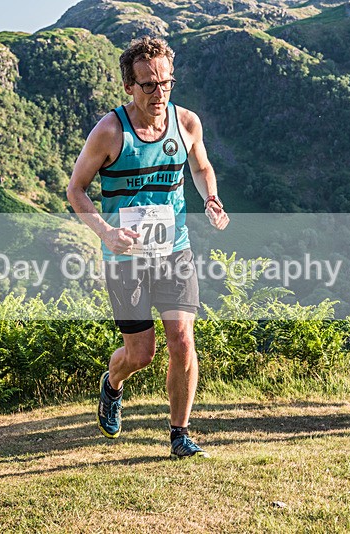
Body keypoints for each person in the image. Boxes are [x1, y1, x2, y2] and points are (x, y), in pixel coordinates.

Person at [67, 37, 229, 459]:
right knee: (140, 354)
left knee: (182, 340)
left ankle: (180, 434)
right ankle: (112, 384)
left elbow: (201, 165)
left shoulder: (186, 122)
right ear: (129, 87)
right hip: (126, 257)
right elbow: (76, 190)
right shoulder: (109, 131)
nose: (159, 94)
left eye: (166, 83)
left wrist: (210, 196)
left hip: (175, 250)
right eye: (148, 85)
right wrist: (106, 233)